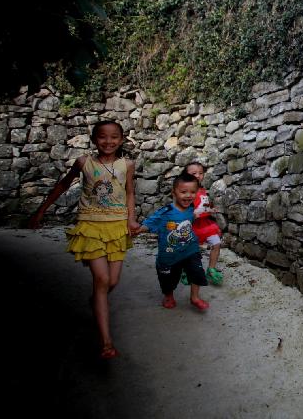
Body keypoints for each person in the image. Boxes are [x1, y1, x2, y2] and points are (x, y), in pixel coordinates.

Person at [29, 119, 138, 359]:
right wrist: (41, 210)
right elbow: (63, 185)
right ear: (94, 139)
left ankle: (96, 302)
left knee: (112, 282)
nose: (108, 141)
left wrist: (131, 220)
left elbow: (130, 193)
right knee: (101, 279)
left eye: (113, 137)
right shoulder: (83, 163)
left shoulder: (127, 165)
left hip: (117, 228)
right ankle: (107, 343)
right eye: (102, 137)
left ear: (121, 140)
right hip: (90, 226)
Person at [134, 172, 210, 311]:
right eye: (184, 192)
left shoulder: (191, 208)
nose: (188, 195)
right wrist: (138, 230)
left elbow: (190, 217)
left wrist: (197, 215)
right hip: (169, 255)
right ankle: (168, 295)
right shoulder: (165, 212)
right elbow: (150, 223)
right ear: (173, 192)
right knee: (168, 279)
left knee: (197, 272)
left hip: (190, 250)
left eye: (193, 192)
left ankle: (195, 297)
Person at [184, 162, 223, 285]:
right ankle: (186, 270)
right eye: (194, 173)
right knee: (190, 251)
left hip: (204, 224)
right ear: (186, 174)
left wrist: (210, 209)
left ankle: (211, 268)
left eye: (200, 173)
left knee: (216, 243)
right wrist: (193, 213)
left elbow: (204, 204)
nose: (198, 175)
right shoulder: (185, 190)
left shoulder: (202, 190)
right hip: (191, 225)